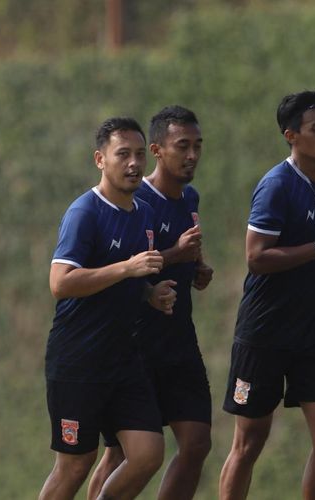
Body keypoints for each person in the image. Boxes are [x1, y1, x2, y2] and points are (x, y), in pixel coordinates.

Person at [218, 90, 315, 500]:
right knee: (249, 441)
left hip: (311, 330)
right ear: (292, 136)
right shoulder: (275, 186)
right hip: (265, 330)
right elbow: (256, 257)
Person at [39, 117, 178, 500]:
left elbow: (126, 281)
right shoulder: (84, 212)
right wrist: (128, 268)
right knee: (75, 465)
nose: (134, 164)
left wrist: (148, 292)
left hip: (122, 360)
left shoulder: (144, 214)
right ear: (100, 160)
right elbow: (61, 283)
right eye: (123, 155)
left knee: (148, 453)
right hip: (77, 361)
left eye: (138, 155)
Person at [87, 105, 213, 500]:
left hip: (179, 339)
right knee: (121, 451)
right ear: (157, 150)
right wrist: (175, 254)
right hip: (138, 343)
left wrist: (197, 268)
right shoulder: (136, 199)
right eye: (182, 146)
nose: (191, 155)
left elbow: (179, 256)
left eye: (197, 146)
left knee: (195, 442)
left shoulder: (189, 197)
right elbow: (124, 266)